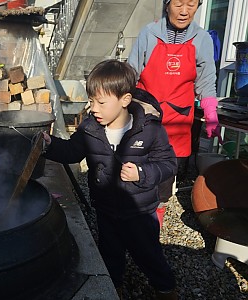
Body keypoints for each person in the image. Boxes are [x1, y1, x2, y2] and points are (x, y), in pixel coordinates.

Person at [43, 59, 178, 299]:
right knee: (110, 252)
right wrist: (50, 145)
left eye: (101, 102)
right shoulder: (90, 129)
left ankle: (165, 287)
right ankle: (113, 286)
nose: (93, 108)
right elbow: (72, 152)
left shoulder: (149, 129)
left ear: (125, 100)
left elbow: (168, 164)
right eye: (91, 101)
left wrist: (142, 173)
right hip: (106, 208)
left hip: (139, 210)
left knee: (148, 253)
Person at [128, 0, 222, 227]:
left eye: (191, 5)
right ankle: (132, 212)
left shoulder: (202, 39)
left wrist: (211, 114)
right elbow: (131, 73)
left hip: (179, 119)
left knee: (166, 174)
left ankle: (156, 220)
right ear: (167, 4)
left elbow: (206, 82)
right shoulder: (149, 33)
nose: (184, 11)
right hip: (145, 116)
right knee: (136, 167)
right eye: (179, 4)